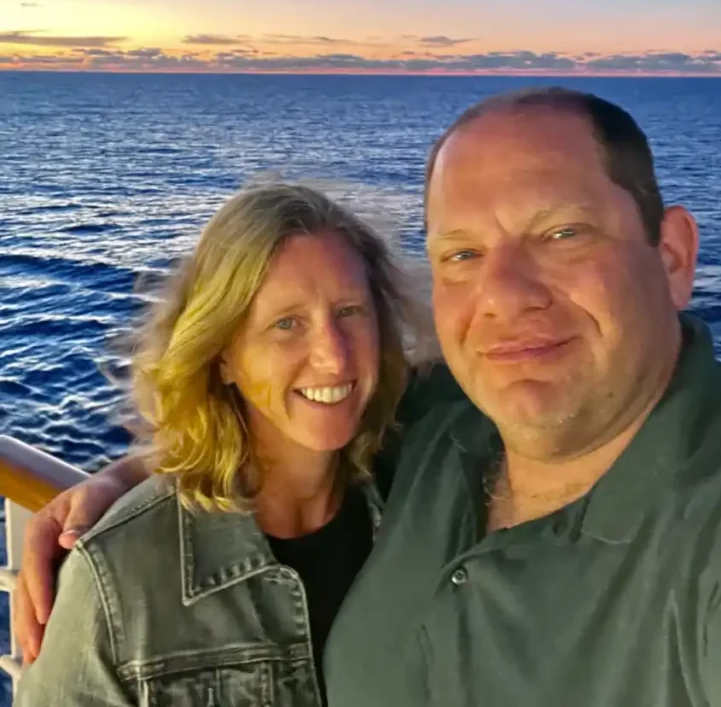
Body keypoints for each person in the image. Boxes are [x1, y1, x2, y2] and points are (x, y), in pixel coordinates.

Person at [15, 88, 721, 707]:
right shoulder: (452, 424)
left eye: (563, 233)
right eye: (464, 255)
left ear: (671, 257)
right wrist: (129, 485)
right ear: (224, 357)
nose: (504, 298)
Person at [14, 181, 426, 706]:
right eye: (287, 324)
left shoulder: (420, 494)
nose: (335, 357)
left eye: (350, 311)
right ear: (223, 355)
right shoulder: (121, 580)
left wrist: (121, 472)